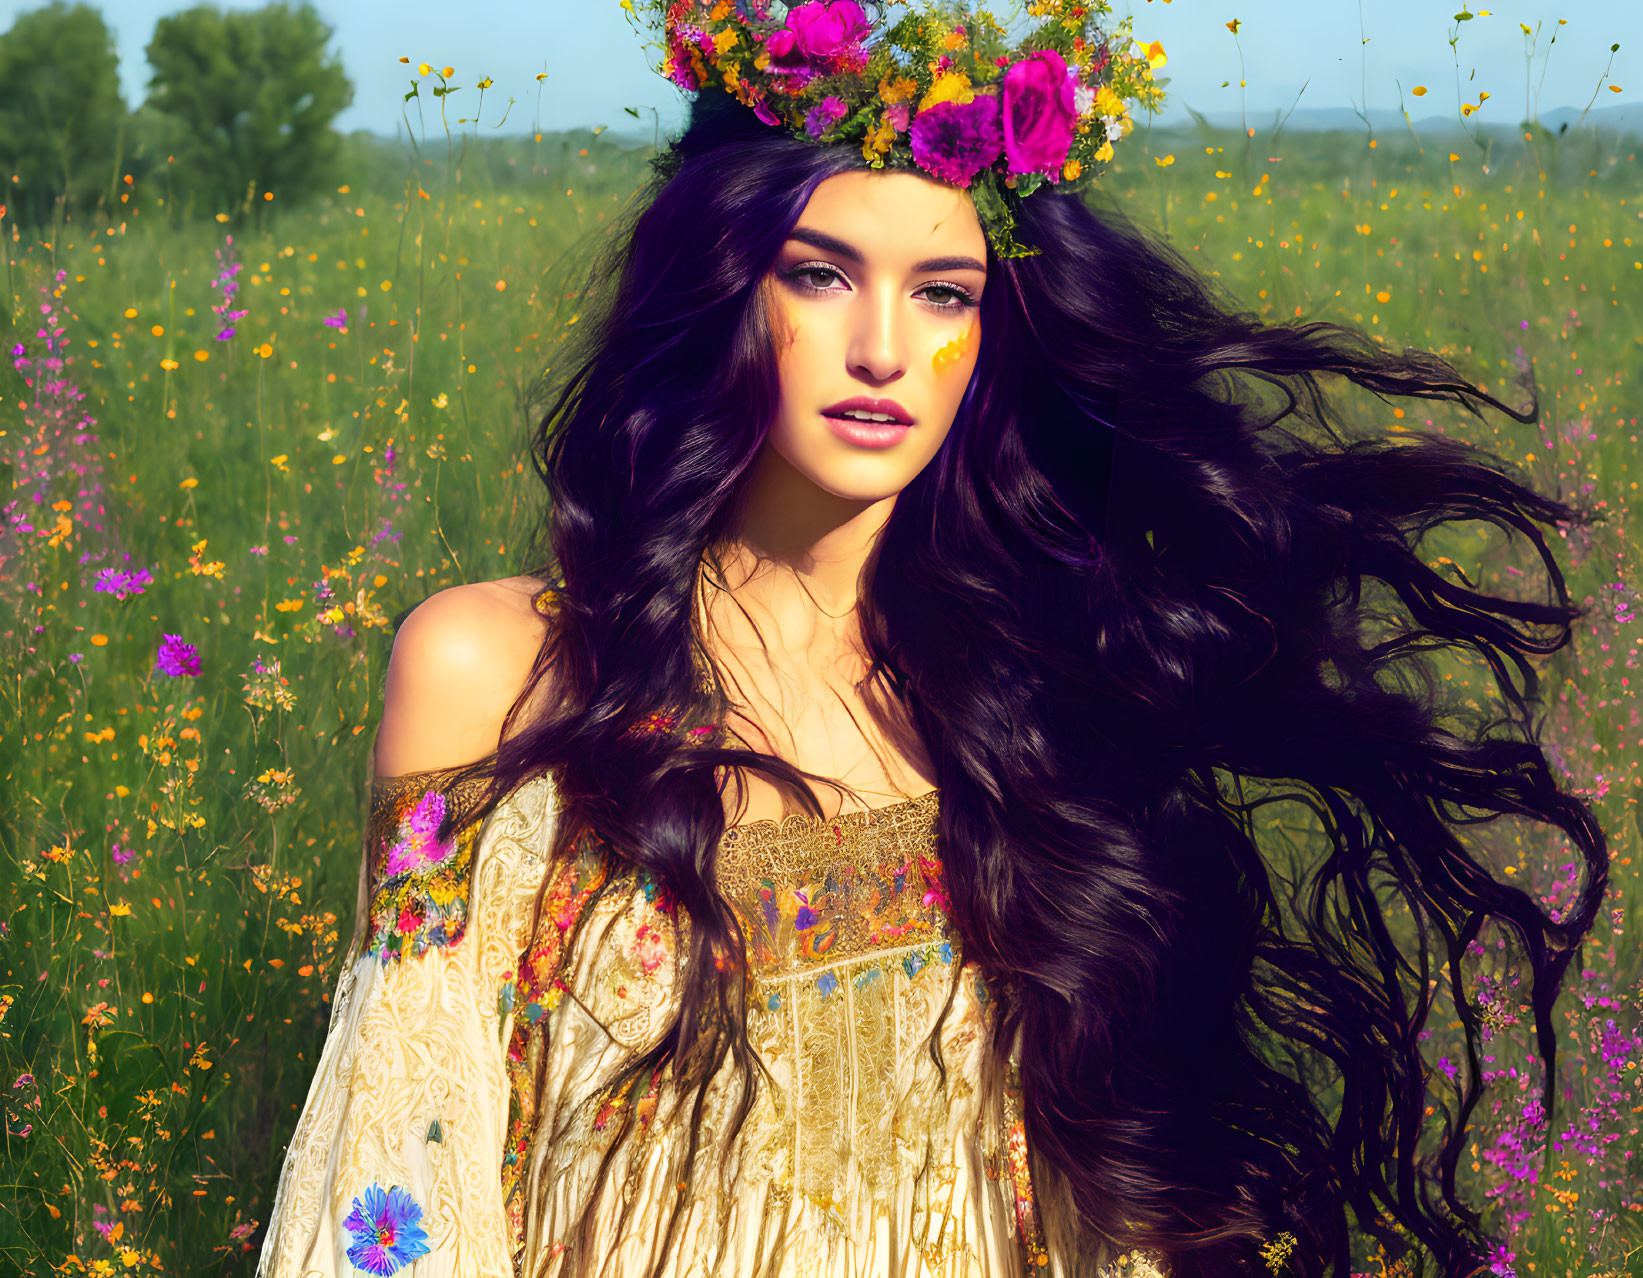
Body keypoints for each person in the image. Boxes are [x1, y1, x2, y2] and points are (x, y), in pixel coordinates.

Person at [256, 3, 1609, 1277]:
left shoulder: (1016, 691)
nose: (884, 349)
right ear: (726, 289)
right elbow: (400, 1159)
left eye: (944, 293)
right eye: (822, 276)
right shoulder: (495, 672)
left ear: (993, 335)